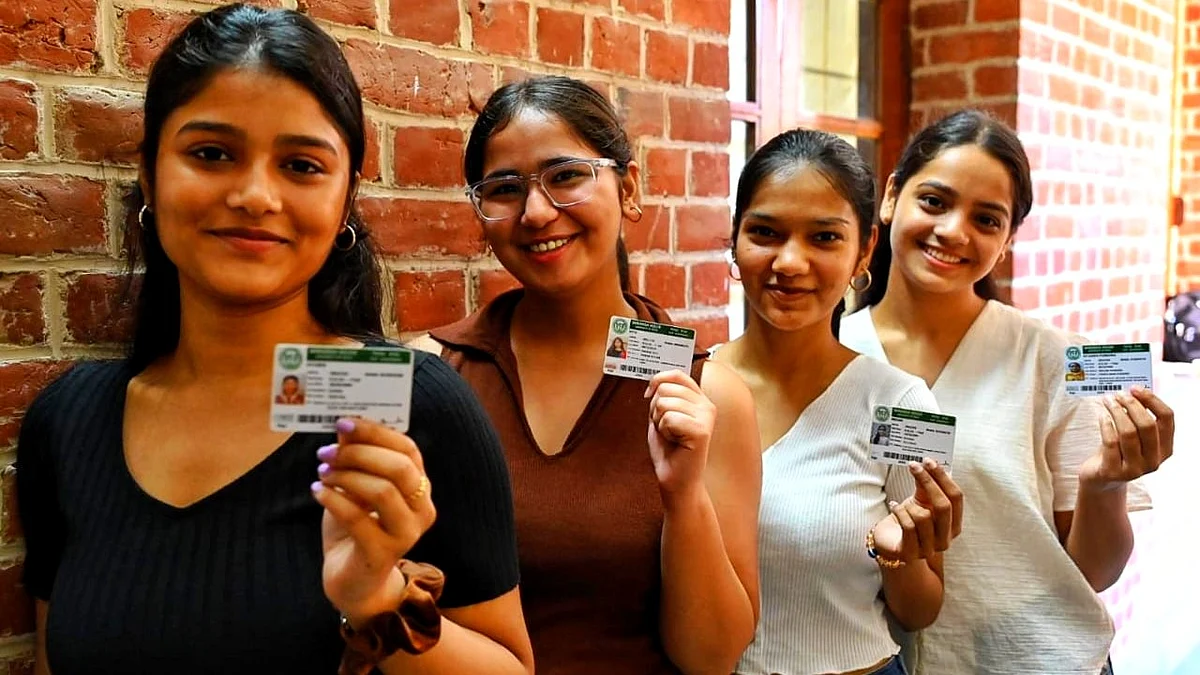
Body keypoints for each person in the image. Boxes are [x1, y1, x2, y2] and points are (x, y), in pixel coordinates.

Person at [15, 6, 533, 675]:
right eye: (211, 154)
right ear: (149, 174)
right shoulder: (68, 421)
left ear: (345, 200)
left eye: (301, 165)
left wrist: (375, 599)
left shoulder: (416, 404)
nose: (256, 195)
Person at [413, 75, 762, 675]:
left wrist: (684, 498)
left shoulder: (709, 394)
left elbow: (712, 658)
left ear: (628, 188)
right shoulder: (435, 373)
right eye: (504, 189)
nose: (536, 212)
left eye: (566, 176)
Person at [841, 109, 1175, 674]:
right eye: (934, 201)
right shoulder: (833, 356)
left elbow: (1094, 572)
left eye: (986, 219)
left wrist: (1105, 482)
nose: (954, 231)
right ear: (893, 196)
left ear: (1006, 242)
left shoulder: (1051, 361)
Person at [710, 129, 963, 675]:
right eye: (765, 233)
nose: (789, 262)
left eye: (824, 237)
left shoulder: (901, 402)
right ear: (735, 238)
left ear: (864, 249)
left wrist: (898, 555)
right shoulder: (687, 389)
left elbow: (920, 611)